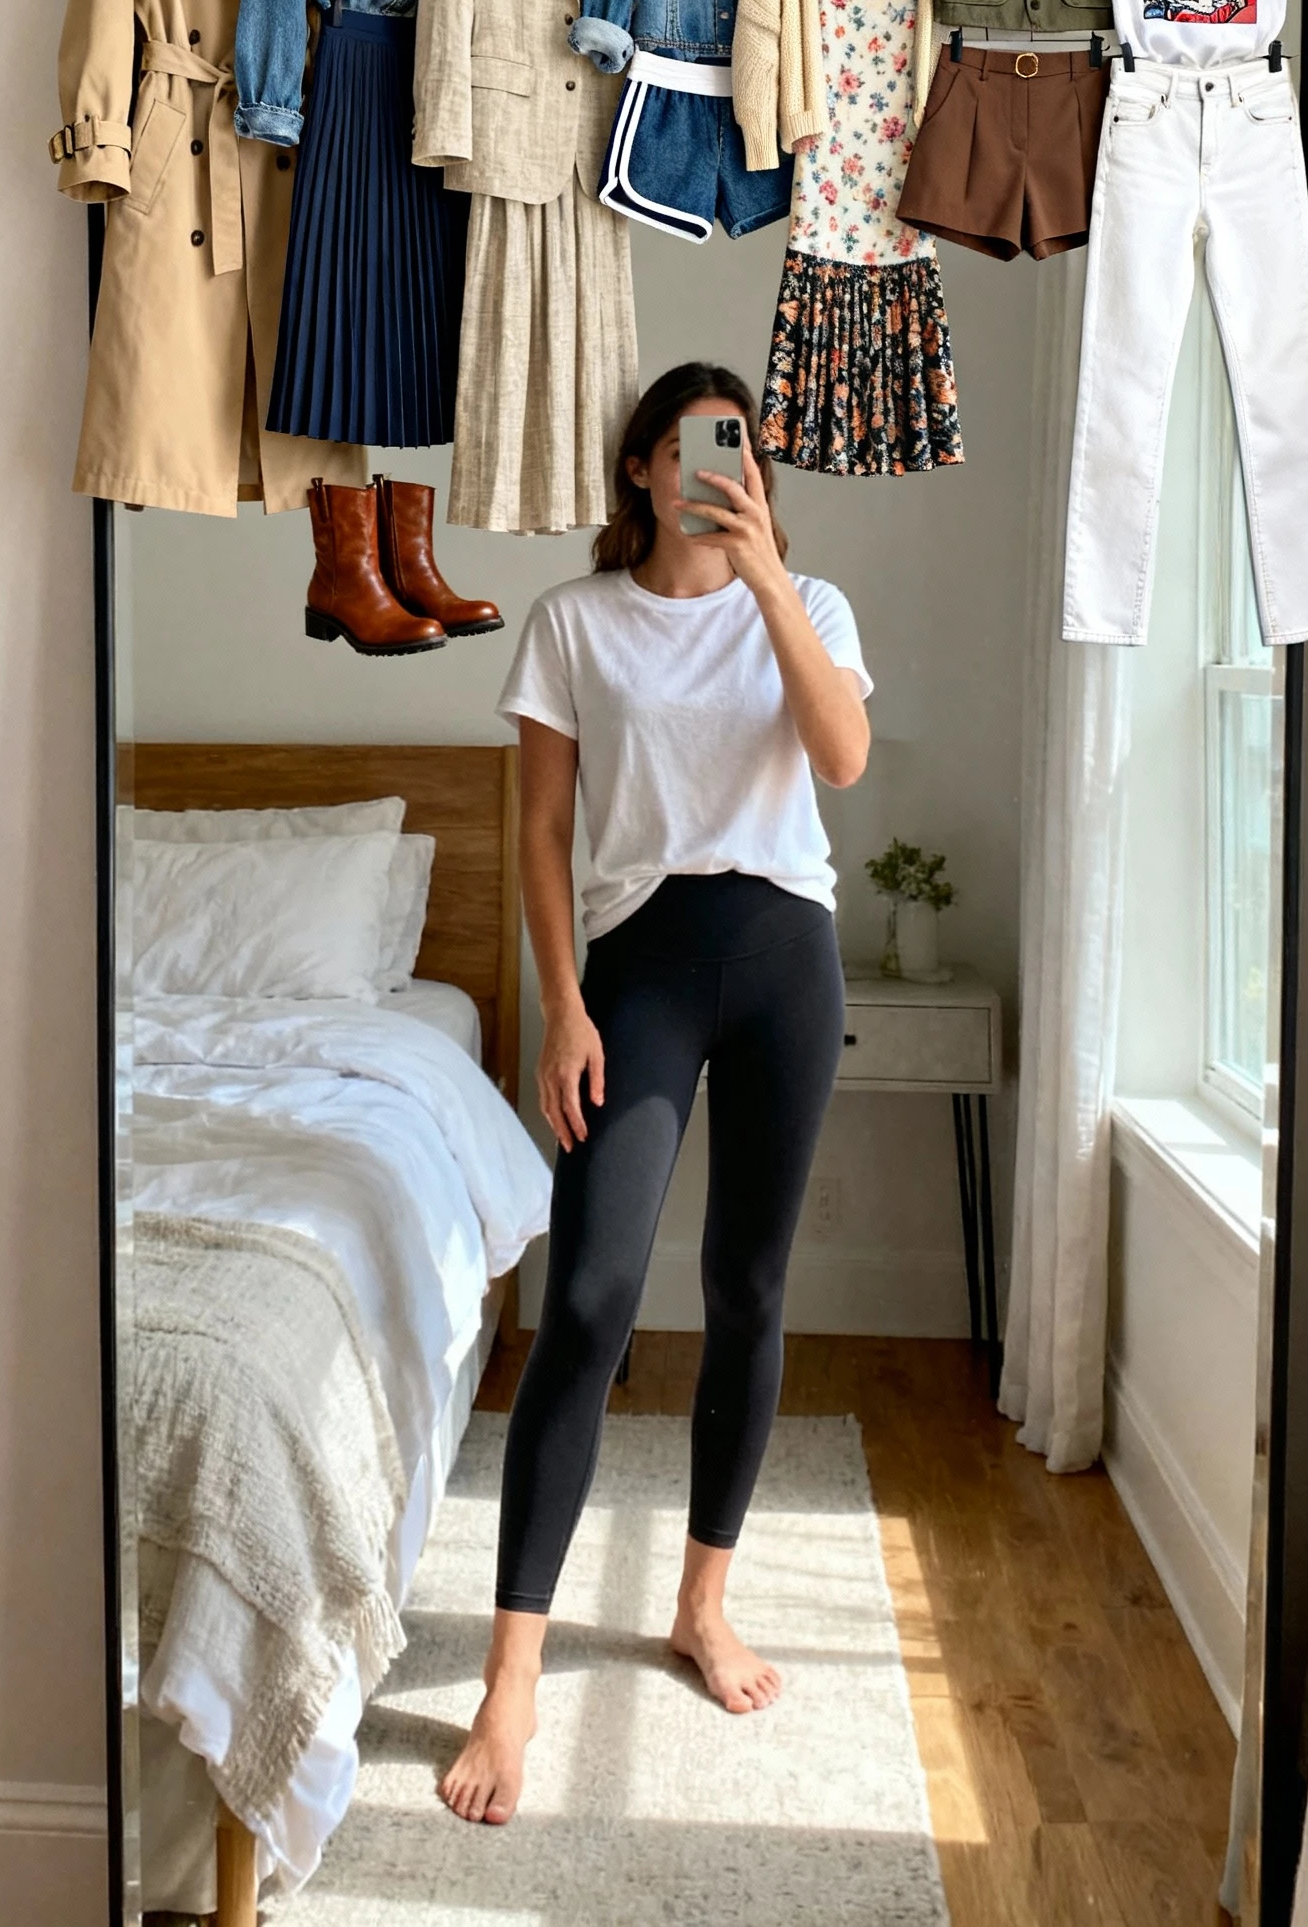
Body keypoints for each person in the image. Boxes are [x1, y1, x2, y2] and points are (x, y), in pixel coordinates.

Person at [440, 359, 872, 1825]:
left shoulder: (810, 613)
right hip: (637, 972)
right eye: (690, 450)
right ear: (641, 468)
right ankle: (511, 1681)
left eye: (739, 452)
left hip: (784, 962)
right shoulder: (576, 623)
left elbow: (844, 757)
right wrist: (560, 1008)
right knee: (591, 1299)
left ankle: (703, 1600)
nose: (715, 471)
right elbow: (546, 836)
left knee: (749, 1288)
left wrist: (765, 586)